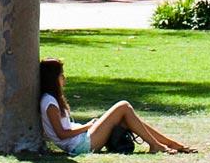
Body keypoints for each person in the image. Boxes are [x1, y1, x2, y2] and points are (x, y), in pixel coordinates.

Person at [38, 58, 193, 156]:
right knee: (123, 106)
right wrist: (87, 126)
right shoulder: (50, 102)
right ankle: (155, 145)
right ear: (53, 78)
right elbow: (61, 134)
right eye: (61, 75)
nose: (64, 78)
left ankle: (168, 143)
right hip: (79, 145)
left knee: (126, 120)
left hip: (81, 139)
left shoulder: (52, 99)